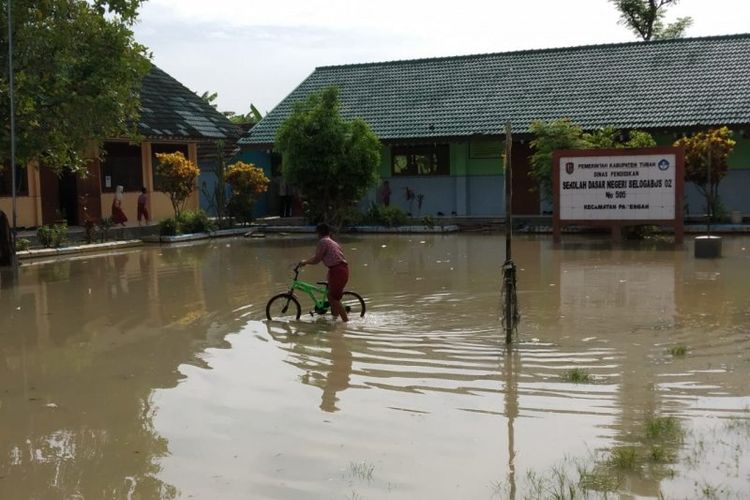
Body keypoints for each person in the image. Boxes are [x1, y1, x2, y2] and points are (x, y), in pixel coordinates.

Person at [299, 223, 349, 322]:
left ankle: (346, 322)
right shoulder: (331, 241)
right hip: (338, 270)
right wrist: (306, 262)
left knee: (333, 298)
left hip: (338, 270)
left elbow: (317, 259)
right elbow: (318, 257)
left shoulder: (323, 241)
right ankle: (335, 318)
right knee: (331, 296)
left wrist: (305, 262)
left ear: (319, 233)